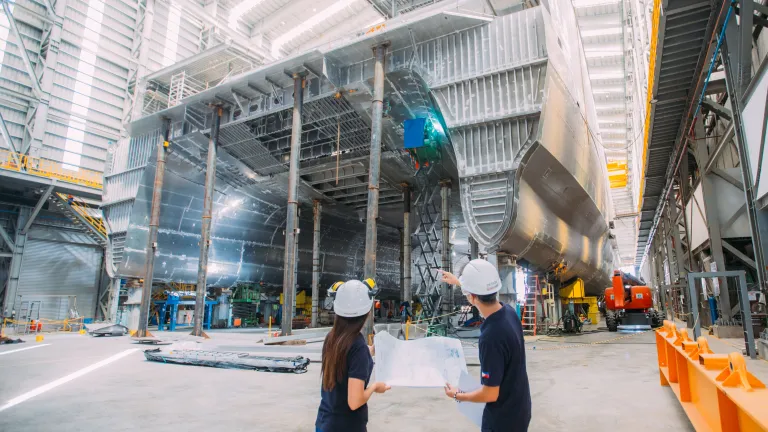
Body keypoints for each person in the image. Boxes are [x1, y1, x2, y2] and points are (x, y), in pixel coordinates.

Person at [440, 259, 531, 432]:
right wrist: (459, 282)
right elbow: (479, 290)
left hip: (503, 422)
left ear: (472, 297)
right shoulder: (509, 312)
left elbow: (490, 394)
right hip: (519, 408)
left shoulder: (491, 336)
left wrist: (458, 395)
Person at [316, 279, 391, 432]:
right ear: (367, 313)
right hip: (347, 426)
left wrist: (371, 350)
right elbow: (355, 401)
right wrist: (375, 387)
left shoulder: (332, 337)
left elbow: (347, 359)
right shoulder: (358, 346)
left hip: (324, 423)